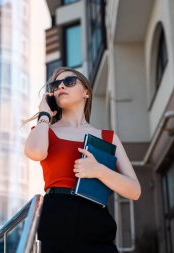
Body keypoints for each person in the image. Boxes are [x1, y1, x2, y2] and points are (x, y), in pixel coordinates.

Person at [22, 67, 141, 253]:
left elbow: (134, 191)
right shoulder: (45, 131)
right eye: (55, 85)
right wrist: (44, 114)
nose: (60, 85)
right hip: (57, 215)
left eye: (68, 81)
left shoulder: (107, 137)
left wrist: (99, 170)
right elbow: (35, 152)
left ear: (86, 92)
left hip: (96, 218)